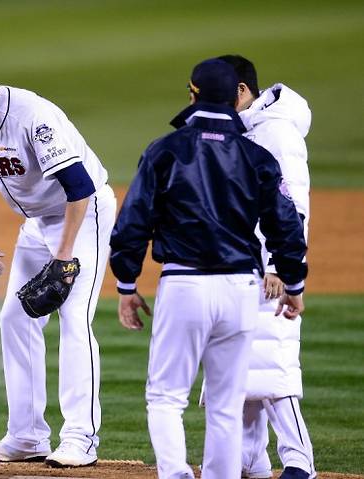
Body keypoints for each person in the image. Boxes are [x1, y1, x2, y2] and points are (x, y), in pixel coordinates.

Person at [109, 58, 308, 479]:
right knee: (226, 402)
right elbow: (285, 223)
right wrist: (294, 282)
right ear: (232, 96)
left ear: (194, 94)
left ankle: (177, 475)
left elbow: (133, 223)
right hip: (241, 288)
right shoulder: (256, 155)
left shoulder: (165, 150)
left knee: (165, 397)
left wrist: (126, 284)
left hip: (184, 285)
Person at [0, 47, 116, 468]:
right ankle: (27, 436)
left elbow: (79, 189)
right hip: (37, 221)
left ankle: (81, 438)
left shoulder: (33, 115)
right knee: (15, 317)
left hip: (82, 215)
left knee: (74, 317)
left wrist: (64, 259)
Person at [218, 54, 315, 479]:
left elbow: (294, 203)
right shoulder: (243, 129)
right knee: (244, 364)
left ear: (242, 91)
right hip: (241, 262)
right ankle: (250, 460)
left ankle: (298, 461)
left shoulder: (275, 132)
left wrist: (281, 264)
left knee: (272, 360)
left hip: (270, 263)